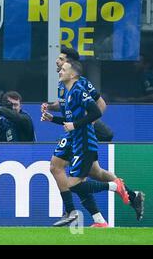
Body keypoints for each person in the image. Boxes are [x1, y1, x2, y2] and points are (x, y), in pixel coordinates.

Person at [42, 60, 145, 226]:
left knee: (65, 175)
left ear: (73, 72)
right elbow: (69, 119)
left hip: (83, 139)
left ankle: (111, 189)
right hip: (77, 139)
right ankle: (106, 214)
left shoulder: (79, 87)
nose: (59, 68)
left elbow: (97, 110)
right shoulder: (66, 91)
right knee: (92, 174)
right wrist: (52, 118)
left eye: (62, 66)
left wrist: (78, 125)